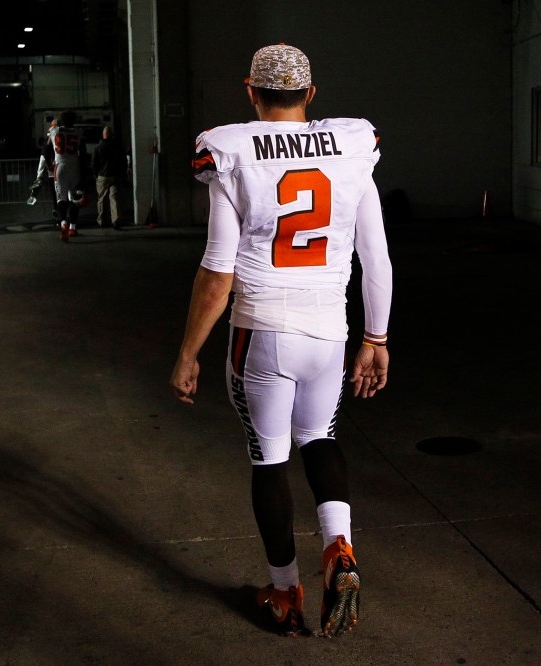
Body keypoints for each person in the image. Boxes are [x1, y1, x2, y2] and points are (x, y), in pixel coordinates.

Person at [170, 44, 392, 637]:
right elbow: (376, 258)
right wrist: (376, 337)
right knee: (321, 437)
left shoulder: (232, 152)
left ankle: (286, 590)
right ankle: (339, 547)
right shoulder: (352, 147)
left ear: (251, 91)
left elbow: (218, 271)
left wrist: (188, 352)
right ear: (310, 94)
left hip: (263, 330)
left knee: (269, 459)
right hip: (330, 331)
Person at [49, 110, 86, 242]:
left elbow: (47, 147)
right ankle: (73, 227)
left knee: (61, 199)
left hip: (60, 167)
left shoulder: (54, 131)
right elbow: (83, 152)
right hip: (74, 167)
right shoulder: (79, 132)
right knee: (74, 199)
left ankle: (63, 223)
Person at [91, 126, 129, 228]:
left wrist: (96, 174)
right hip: (115, 176)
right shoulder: (118, 147)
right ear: (111, 135)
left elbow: (94, 163)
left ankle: (102, 221)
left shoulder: (98, 147)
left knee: (102, 199)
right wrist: (123, 174)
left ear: (103, 135)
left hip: (102, 176)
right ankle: (116, 220)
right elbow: (123, 161)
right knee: (114, 198)